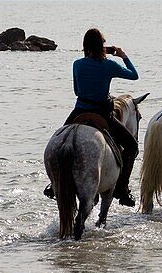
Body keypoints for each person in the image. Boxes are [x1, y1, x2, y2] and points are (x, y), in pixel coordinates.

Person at [45, 28, 140, 206]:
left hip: (79, 111)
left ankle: (53, 183)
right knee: (132, 146)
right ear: (102, 46)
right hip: (103, 113)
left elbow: (76, 91)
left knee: (59, 140)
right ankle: (122, 188)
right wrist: (123, 55)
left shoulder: (77, 64)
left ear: (85, 46)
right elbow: (134, 76)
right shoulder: (110, 65)